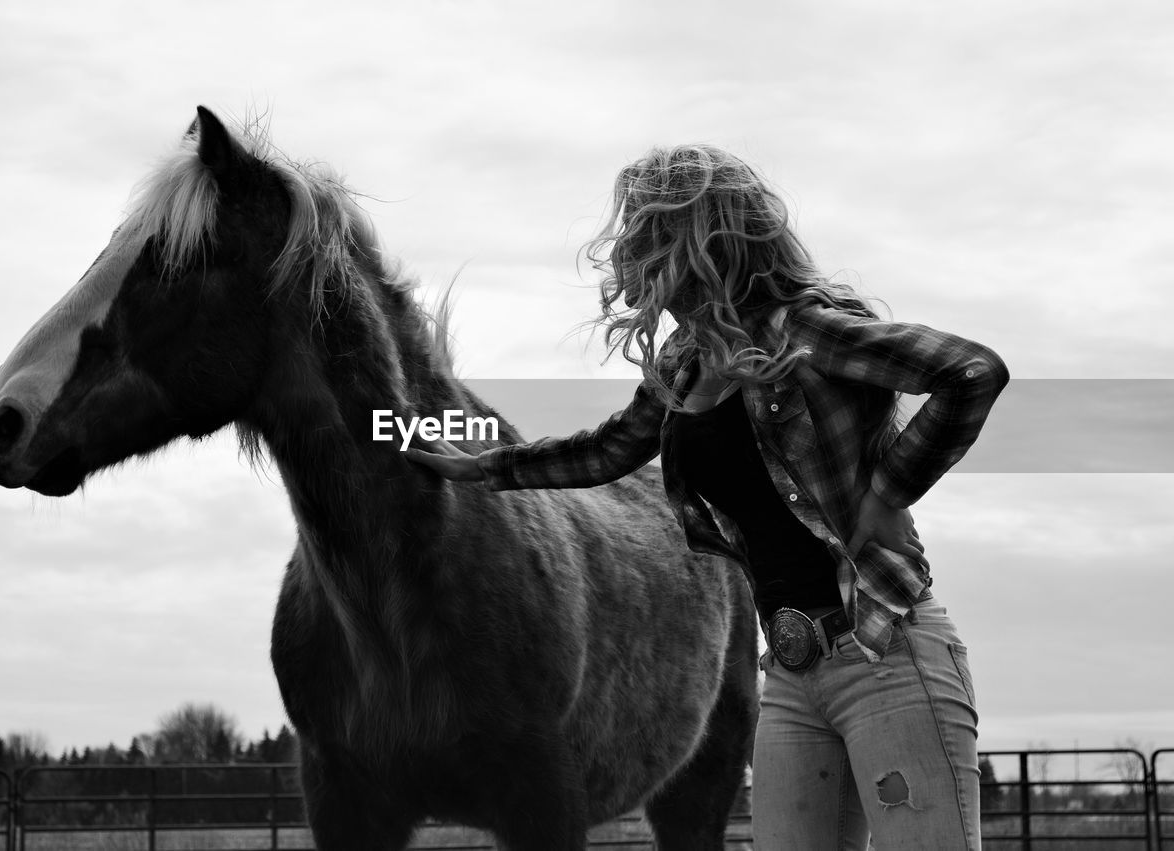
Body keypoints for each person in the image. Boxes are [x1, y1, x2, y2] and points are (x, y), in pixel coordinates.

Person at [406, 144, 1007, 850]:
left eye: (645, 233)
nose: (628, 253)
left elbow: (971, 371)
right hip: (790, 672)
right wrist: (488, 469)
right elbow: (609, 449)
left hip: (887, 652)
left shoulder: (805, 330)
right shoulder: (684, 363)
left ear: (699, 237)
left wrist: (891, 487)